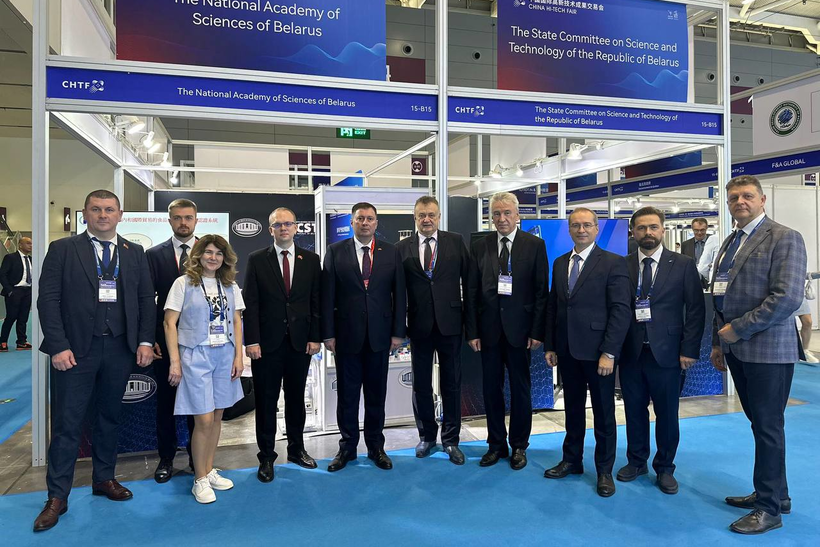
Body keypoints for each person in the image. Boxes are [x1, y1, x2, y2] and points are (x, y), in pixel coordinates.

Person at [34, 190, 156, 532]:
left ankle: (104, 478)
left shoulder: (134, 252)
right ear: (85, 214)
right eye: (96, 209)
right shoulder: (63, 249)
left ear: (120, 215)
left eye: (109, 209)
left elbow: (146, 300)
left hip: (119, 349)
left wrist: (145, 341)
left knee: (109, 418)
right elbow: (48, 300)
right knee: (67, 423)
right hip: (74, 352)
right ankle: (57, 496)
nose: (103, 215)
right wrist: (58, 346)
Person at [710, 175, 807, 534]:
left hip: (769, 350)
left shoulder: (784, 237)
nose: (740, 202)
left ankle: (769, 510)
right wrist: (719, 343)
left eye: (747, 196)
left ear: (762, 200)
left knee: (768, 427)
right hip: (737, 349)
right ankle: (777, 494)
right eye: (734, 197)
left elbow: (787, 298)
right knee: (760, 424)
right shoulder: (730, 241)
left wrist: (739, 328)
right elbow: (720, 296)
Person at [616, 207, 705, 495]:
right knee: (634, 410)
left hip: (668, 353)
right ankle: (636, 461)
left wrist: (689, 349)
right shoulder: (622, 265)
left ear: (663, 230)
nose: (648, 233)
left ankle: (665, 467)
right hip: (631, 352)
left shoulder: (683, 264)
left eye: (653, 227)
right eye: (641, 228)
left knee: (667, 414)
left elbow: (695, 310)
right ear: (633, 232)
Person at [543, 207, 631, 497]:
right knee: (572, 409)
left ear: (596, 229)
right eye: (576, 225)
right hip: (567, 351)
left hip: (598, 353)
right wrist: (551, 345)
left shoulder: (613, 263)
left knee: (604, 413)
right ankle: (572, 460)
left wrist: (610, 352)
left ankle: (604, 470)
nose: (581, 230)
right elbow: (554, 307)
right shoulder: (559, 263)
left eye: (587, 225)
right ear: (569, 229)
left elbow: (620, 311)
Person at [465, 191, 548, 471]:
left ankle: (520, 446)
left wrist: (537, 331)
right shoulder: (480, 246)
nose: (502, 218)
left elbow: (541, 292)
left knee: (521, 390)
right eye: (497, 213)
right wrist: (472, 331)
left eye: (507, 213)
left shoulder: (534, 245)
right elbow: (472, 291)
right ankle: (496, 445)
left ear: (517, 215)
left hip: (521, 333)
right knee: (491, 390)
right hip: (488, 332)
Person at [321, 202, 406, 472]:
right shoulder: (335, 251)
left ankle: (376, 447)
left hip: (380, 337)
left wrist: (398, 332)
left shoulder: (391, 252)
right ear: (352, 222)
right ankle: (347, 448)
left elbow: (399, 294)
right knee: (347, 397)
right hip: (346, 337)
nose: (365, 223)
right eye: (360, 219)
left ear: (376, 223)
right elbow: (327, 296)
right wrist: (328, 334)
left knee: (376, 396)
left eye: (370, 219)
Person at [164, 235, 245, 504]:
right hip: (195, 355)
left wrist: (239, 357)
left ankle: (209, 470)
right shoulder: (183, 283)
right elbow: (169, 323)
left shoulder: (230, 285)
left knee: (218, 416)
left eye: (218, 253)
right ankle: (199, 478)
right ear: (198, 255)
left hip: (224, 354)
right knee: (204, 420)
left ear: (225, 258)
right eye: (208, 252)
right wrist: (175, 361)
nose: (213, 257)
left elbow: (236, 320)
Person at [243, 207, 321, 483]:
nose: (284, 228)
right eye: (278, 225)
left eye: (288, 224)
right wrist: (251, 340)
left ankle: (297, 449)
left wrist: (315, 336)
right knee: (266, 401)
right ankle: (266, 456)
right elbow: (250, 302)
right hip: (266, 345)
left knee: (296, 399)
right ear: (271, 230)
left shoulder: (311, 260)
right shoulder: (257, 259)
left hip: (300, 342)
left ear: (296, 228)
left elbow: (316, 300)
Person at [397, 196, 470, 465]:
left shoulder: (455, 241)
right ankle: (427, 436)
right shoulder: (401, 248)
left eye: (431, 215)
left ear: (439, 217)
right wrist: (399, 327)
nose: (426, 220)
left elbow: (469, 283)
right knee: (421, 385)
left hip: (451, 323)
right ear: (414, 218)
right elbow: (397, 292)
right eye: (421, 215)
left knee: (452, 383)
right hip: (419, 325)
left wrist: (471, 325)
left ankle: (451, 440)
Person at [145, 199, 198, 482]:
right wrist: (149, 338)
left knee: (199, 404)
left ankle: (197, 457)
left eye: (188, 217)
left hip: (202, 344)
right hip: (165, 341)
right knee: (167, 404)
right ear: (169, 221)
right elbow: (147, 301)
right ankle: (166, 458)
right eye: (177, 218)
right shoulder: (154, 255)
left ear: (196, 220)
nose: (183, 222)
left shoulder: (210, 252)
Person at [0, 236, 33, 351]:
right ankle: (2, 342)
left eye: (31, 243)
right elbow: (2, 274)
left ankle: (21, 342)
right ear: (20, 245)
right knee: (11, 317)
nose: (31, 245)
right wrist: (9, 290)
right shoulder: (10, 257)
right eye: (28, 243)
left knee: (23, 318)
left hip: (28, 291)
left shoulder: (31, 259)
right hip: (15, 291)